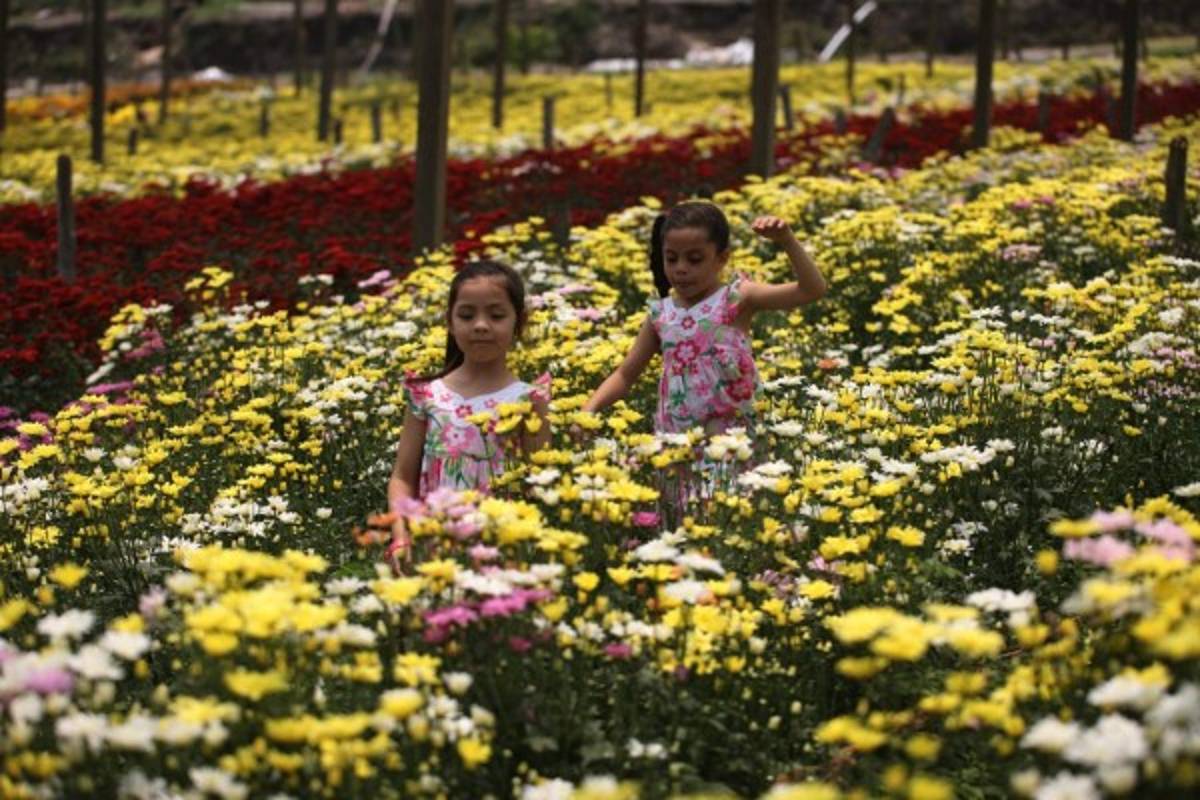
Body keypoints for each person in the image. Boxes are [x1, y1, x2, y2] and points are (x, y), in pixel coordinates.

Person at [582, 201, 827, 516]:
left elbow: (811, 290)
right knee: (683, 524)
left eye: (695, 259)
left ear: (722, 258)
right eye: (671, 259)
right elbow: (625, 375)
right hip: (677, 441)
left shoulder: (737, 299)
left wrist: (787, 242)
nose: (681, 268)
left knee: (734, 521)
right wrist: (588, 410)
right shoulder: (661, 314)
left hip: (732, 441)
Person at [387, 260, 550, 571]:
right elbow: (402, 478)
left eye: (496, 315)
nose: (480, 325)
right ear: (449, 321)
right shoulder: (427, 395)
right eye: (466, 315)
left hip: (502, 556)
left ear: (519, 322)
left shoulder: (529, 400)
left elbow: (539, 485)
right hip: (433, 553)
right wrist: (401, 536)